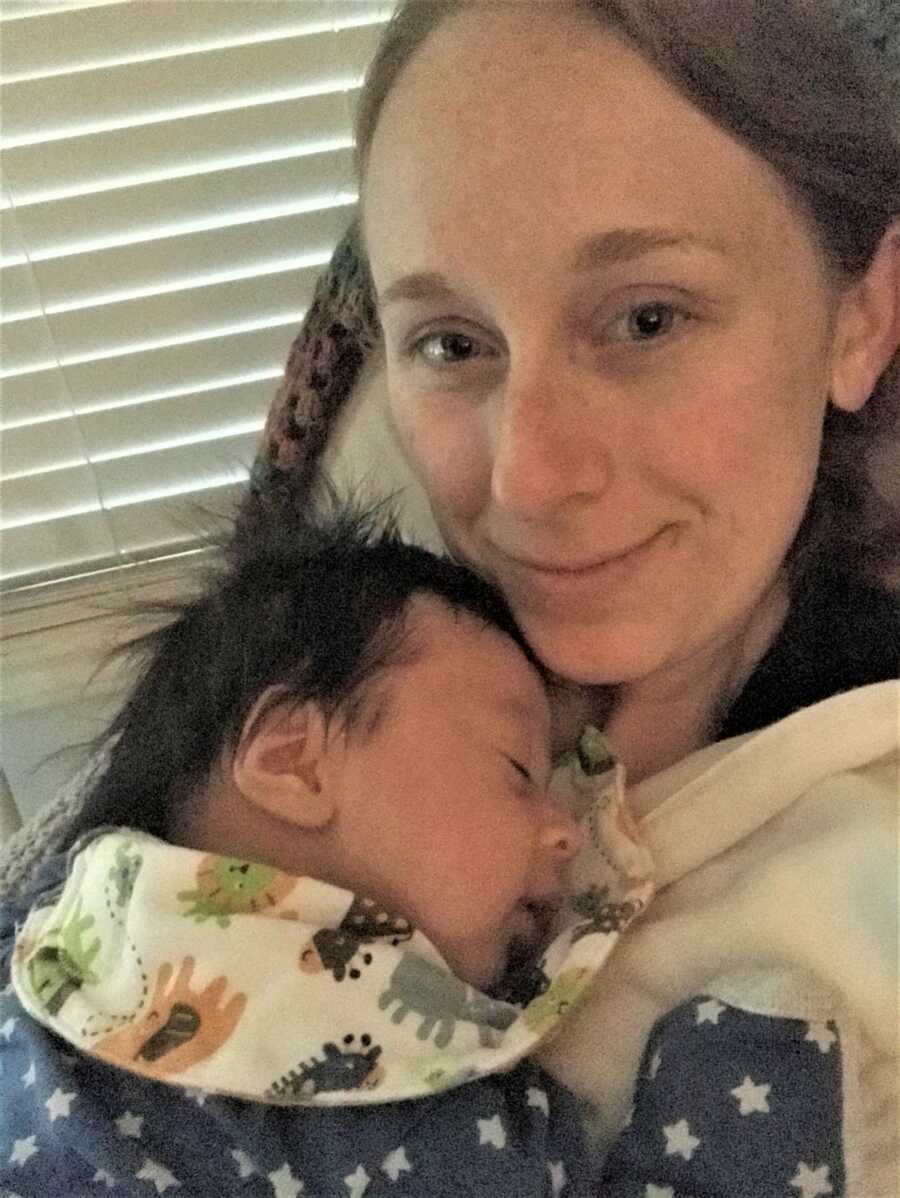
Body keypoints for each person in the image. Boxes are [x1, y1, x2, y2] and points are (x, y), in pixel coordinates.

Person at [1, 0, 897, 1194]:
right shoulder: (309, 662)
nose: (526, 477)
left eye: (646, 318)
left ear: (862, 316)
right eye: (453, 345)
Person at [0, 487, 651, 1197]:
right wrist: (731, 1093)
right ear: (294, 761)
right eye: (519, 769)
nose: (564, 832)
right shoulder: (427, 1131)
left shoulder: (444, 1113)